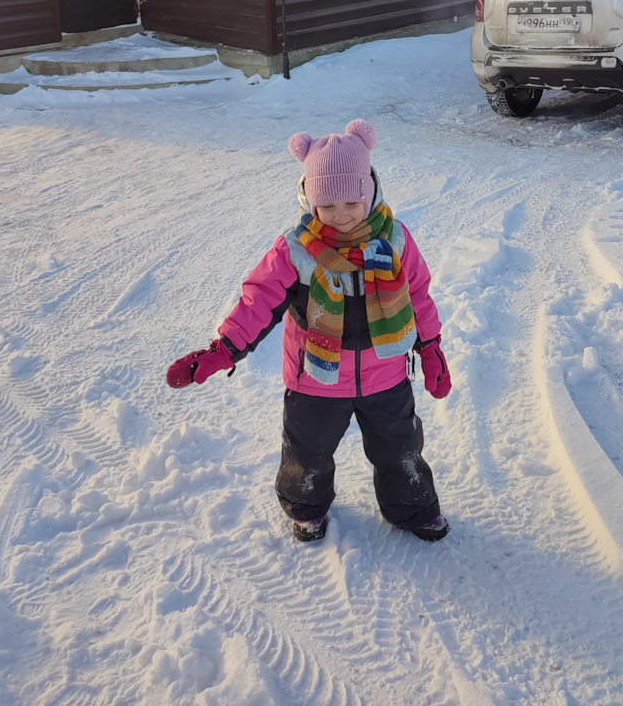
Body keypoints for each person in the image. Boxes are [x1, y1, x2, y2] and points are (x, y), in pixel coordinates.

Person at [166, 118, 452, 543]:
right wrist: (224, 349)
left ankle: (413, 506)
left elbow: (419, 296)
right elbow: (257, 301)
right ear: (310, 201)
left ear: (369, 191)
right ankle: (306, 507)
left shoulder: (395, 240)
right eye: (327, 207)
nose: (339, 217)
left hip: (386, 374)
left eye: (350, 204)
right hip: (316, 379)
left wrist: (430, 349)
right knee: (307, 453)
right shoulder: (296, 249)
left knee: (401, 450)